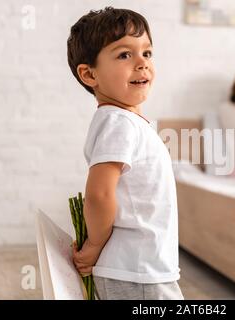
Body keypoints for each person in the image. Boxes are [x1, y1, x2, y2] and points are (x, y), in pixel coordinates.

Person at [67, 7, 183, 300]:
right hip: (136, 271)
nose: (142, 63)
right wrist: (94, 246)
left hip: (142, 268)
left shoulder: (125, 121)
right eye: (124, 55)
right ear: (89, 74)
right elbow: (100, 194)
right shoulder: (118, 122)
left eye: (147, 53)